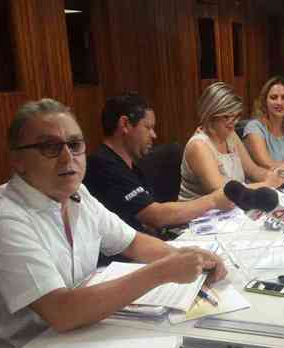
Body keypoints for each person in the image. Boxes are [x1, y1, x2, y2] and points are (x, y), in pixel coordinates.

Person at [0, 99, 227, 348]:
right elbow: (61, 312)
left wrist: (189, 258)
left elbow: (133, 242)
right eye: (50, 148)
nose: (68, 158)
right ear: (17, 160)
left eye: (75, 145)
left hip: (68, 342)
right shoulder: (4, 219)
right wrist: (163, 271)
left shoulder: (77, 194)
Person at [84, 93, 231, 243]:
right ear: (125, 124)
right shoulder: (102, 166)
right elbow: (155, 216)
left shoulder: (132, 167)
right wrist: (213, 201)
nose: (153, 135)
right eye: (148, 127)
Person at [180, 82, 284, 200]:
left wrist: (274, 176)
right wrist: (268, 183)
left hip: (231, 209)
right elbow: (223, 192)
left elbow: (252, 170)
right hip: (201, 215)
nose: (233, 123)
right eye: (226, 117)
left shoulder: (230, 134)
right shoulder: (198, 146)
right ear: (210, 116)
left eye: (236, 116)